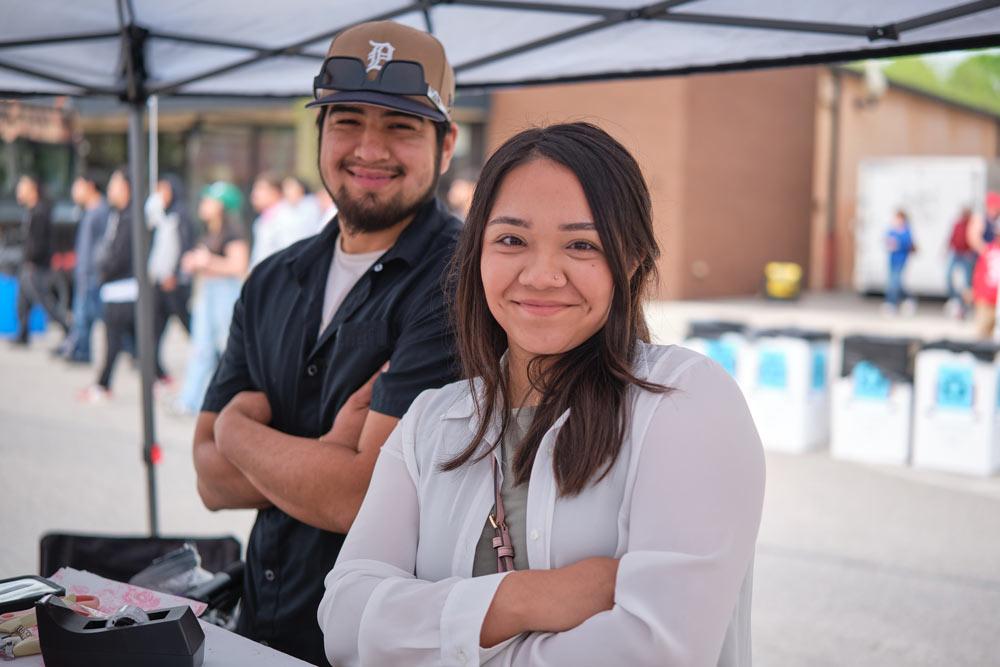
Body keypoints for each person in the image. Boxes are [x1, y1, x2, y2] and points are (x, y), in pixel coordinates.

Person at [318, 123, 766, 666]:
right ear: (477, 253)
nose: (542, 274)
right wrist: (532, 598)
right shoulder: (430, 421)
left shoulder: (682, 401)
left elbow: (655, 652)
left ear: (631, 261)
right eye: (512, 240)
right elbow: (344, 622)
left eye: (582, 244)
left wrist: (429, 639)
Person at [192, 20, 461, 664]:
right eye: (347, 121)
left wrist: (237, 433)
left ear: (446, 145)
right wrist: (325, 455)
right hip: (258, 627)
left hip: (378, 646)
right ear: (321, 133)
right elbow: (209, 481)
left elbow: (357, 497)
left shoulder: (459, 283)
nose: (370, 148)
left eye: (401, 125)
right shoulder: (273, 280)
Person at [172, 182, 249, 416]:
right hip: (207, 292)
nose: (203, 205)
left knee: (228, 347)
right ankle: (189, 401)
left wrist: (207, 262)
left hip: (225, 293)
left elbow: (239, 266)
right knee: (200, 348)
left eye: (209, 200)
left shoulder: (233, 233)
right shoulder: (209, 233)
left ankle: (231, 403)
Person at [78, 169, 135, 403]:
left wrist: (104, 273)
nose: (111, 191)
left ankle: (103, 385)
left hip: (123, 288)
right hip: (114, 287)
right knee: (124, 340)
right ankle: (157, 375)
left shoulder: (130, 217)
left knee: (114, 339)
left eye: (115, 185)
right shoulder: (118, 214)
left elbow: (121, 255)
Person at [146, 173, 195, 383]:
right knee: (156, 327)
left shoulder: (181, 215)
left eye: (164, 190)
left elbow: (184, 247)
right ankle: (156, 369)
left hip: (175, 282)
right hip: (159, 280)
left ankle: (214, 357)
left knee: (187, 322)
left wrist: (174, 274)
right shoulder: (163, 216)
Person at [12, 174, 70, 346]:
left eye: (22, 187)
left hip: (36, 265)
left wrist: (32, 260)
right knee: (23, 301)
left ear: (33, 188)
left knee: (44, 301)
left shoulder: (40, 211)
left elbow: (40, 242)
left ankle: (67, 328)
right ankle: (23, 334)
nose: (18, 191)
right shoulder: (32, 211)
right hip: (29, 263)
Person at [63, 170, 110, 363]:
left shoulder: (101, 210)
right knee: (85, 315)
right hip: (84, 271)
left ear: (90, 186)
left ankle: (82, 351)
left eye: (78, 185)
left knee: (91, 314)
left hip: (92, 273)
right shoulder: (90, 210)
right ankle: (81, 350)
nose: (74, 191)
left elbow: (103, 245)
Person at [248, 172, 295, 269]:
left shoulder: (288, 218)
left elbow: (288, 256)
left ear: (275, 192)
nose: (254, 194)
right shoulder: (262, 220)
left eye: (260, 189)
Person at [883, 208, 916, 316]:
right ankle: (908, 299)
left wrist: (898, 243)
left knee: (895, 282)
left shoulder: (906, 230)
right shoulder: (892, 229)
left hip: (901, 259)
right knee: (895, 283)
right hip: (892, 259)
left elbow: (907, 242)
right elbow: (886, 239)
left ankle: (891, 303)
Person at [944, 207, 975, 319]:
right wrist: (946, 250)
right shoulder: (958, 224)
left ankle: (965, 306)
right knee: (948, 276)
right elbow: (952, 237)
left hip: (966, 255)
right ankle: (955, 299)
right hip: (956, 253)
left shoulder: (971, 225)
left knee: (967, 283)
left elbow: (973, 239)